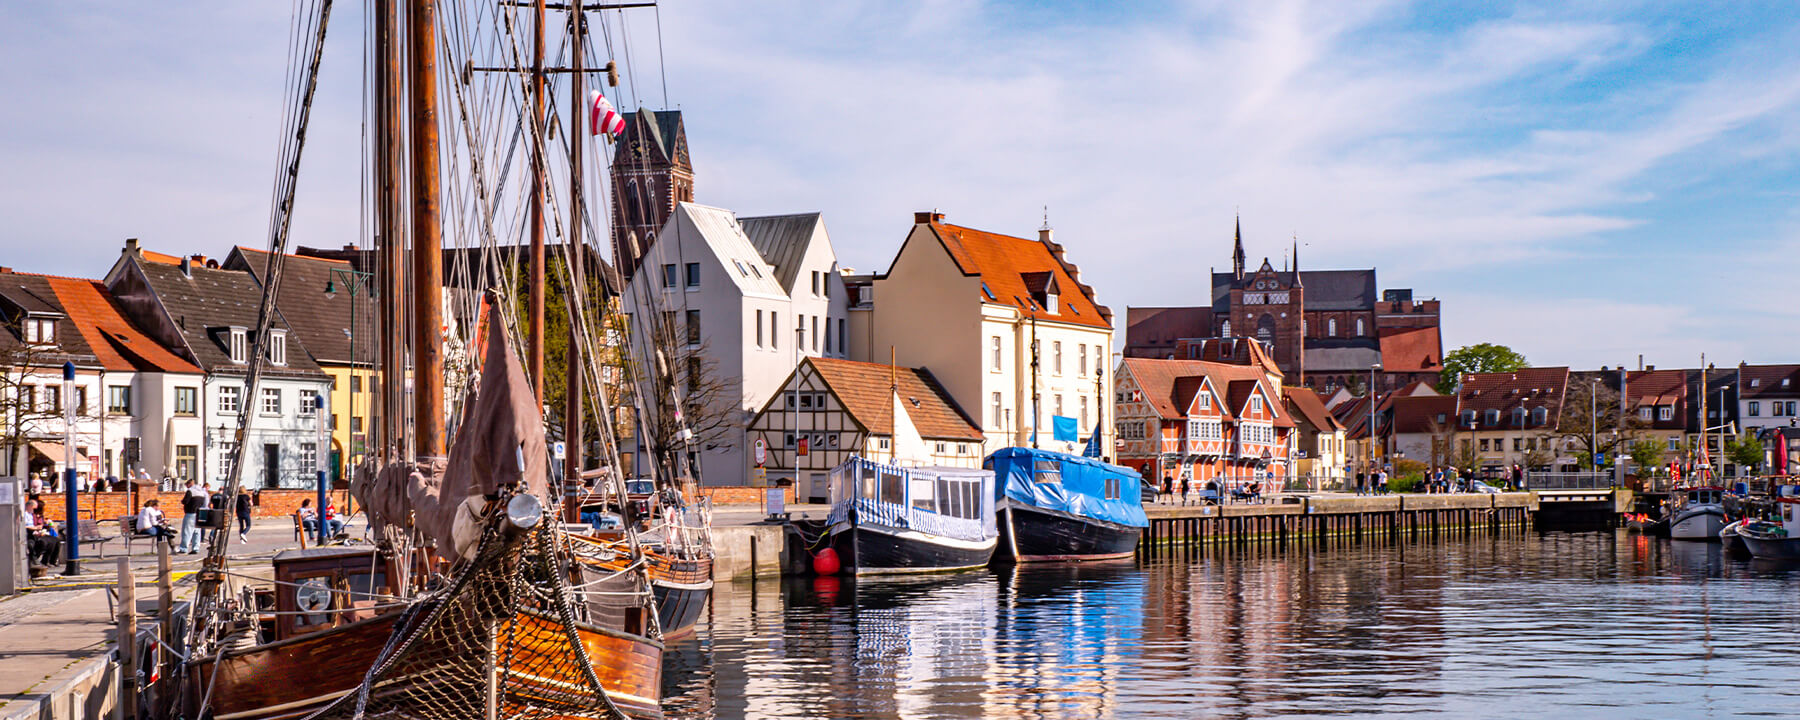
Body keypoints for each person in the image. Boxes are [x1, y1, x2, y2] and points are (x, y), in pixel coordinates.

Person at [22, 499, 61, 567]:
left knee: (55, 540)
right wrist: (36, 528)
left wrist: (42, 526)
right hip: (30, 533)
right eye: (34, 508)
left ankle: (51, 560)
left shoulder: (30, 515)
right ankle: (37, 559)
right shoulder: (26, 515)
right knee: (45, 542)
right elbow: (25, 526)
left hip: (36, 531)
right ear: (30, 506)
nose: (34, 510)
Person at [178, 479, 206, 554]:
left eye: (186, 485)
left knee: (187, 531)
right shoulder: (201, 492)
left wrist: (182, 501)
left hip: (190, 513)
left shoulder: (190, 491)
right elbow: (205, 503)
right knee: (197, 532)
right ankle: (196, 548)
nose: (186, 487)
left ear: (189, 484)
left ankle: (183, 548)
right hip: (199, 513)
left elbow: (185, 501)